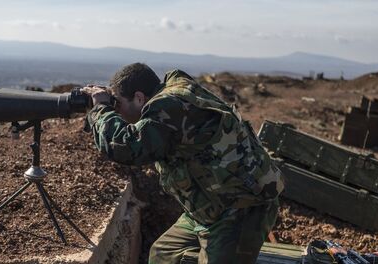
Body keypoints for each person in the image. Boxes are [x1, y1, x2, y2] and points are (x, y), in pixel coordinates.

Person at [83, 62, 284, 264]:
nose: (118, 112)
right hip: (210, 207)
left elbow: (126, 148)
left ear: (139, 97)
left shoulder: (170, 105)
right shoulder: (173, 95)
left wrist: (100, 108)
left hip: (240, 208)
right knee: (163, 255)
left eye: (118, 104)